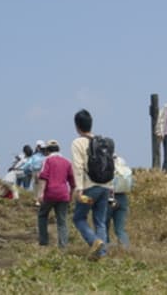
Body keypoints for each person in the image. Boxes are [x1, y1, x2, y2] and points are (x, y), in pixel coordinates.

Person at [71, 109, 112, 260]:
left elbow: (78, 166)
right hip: (105, 187)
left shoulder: (78, 143)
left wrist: (79, 188)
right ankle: (102, 254)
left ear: (77, 126)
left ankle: (95, 242)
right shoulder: (102, 142)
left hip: (89, 189)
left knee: (79, 218)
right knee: (100, 221)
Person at [37, 140, 75, 248]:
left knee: (42, 215)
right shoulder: (67, 162)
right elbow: (72, 182)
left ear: (48, 150)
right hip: (63, 194)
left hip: (50, 193)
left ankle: (44, 241)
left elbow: (43, 177)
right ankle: (63, 245)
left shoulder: (47, 160)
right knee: (62, 221)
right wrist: (71, 196)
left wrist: (40, 194)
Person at [106, 155, 133, 249]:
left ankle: (106, 248)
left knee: (105, 225)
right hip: (123, 199)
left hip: (110, 197)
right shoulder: (126, 170)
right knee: (120, 229)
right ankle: (126, 248)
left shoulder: (109, 169)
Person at [23, 140, 47, 205]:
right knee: (42, 187)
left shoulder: (34, 156)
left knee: (36, 186)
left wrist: (23, 169)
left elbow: (27, 164)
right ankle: (41, 200)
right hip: (43, 173)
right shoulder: (45, 157)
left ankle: (37, 201)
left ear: (38, 147)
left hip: (35, 172)